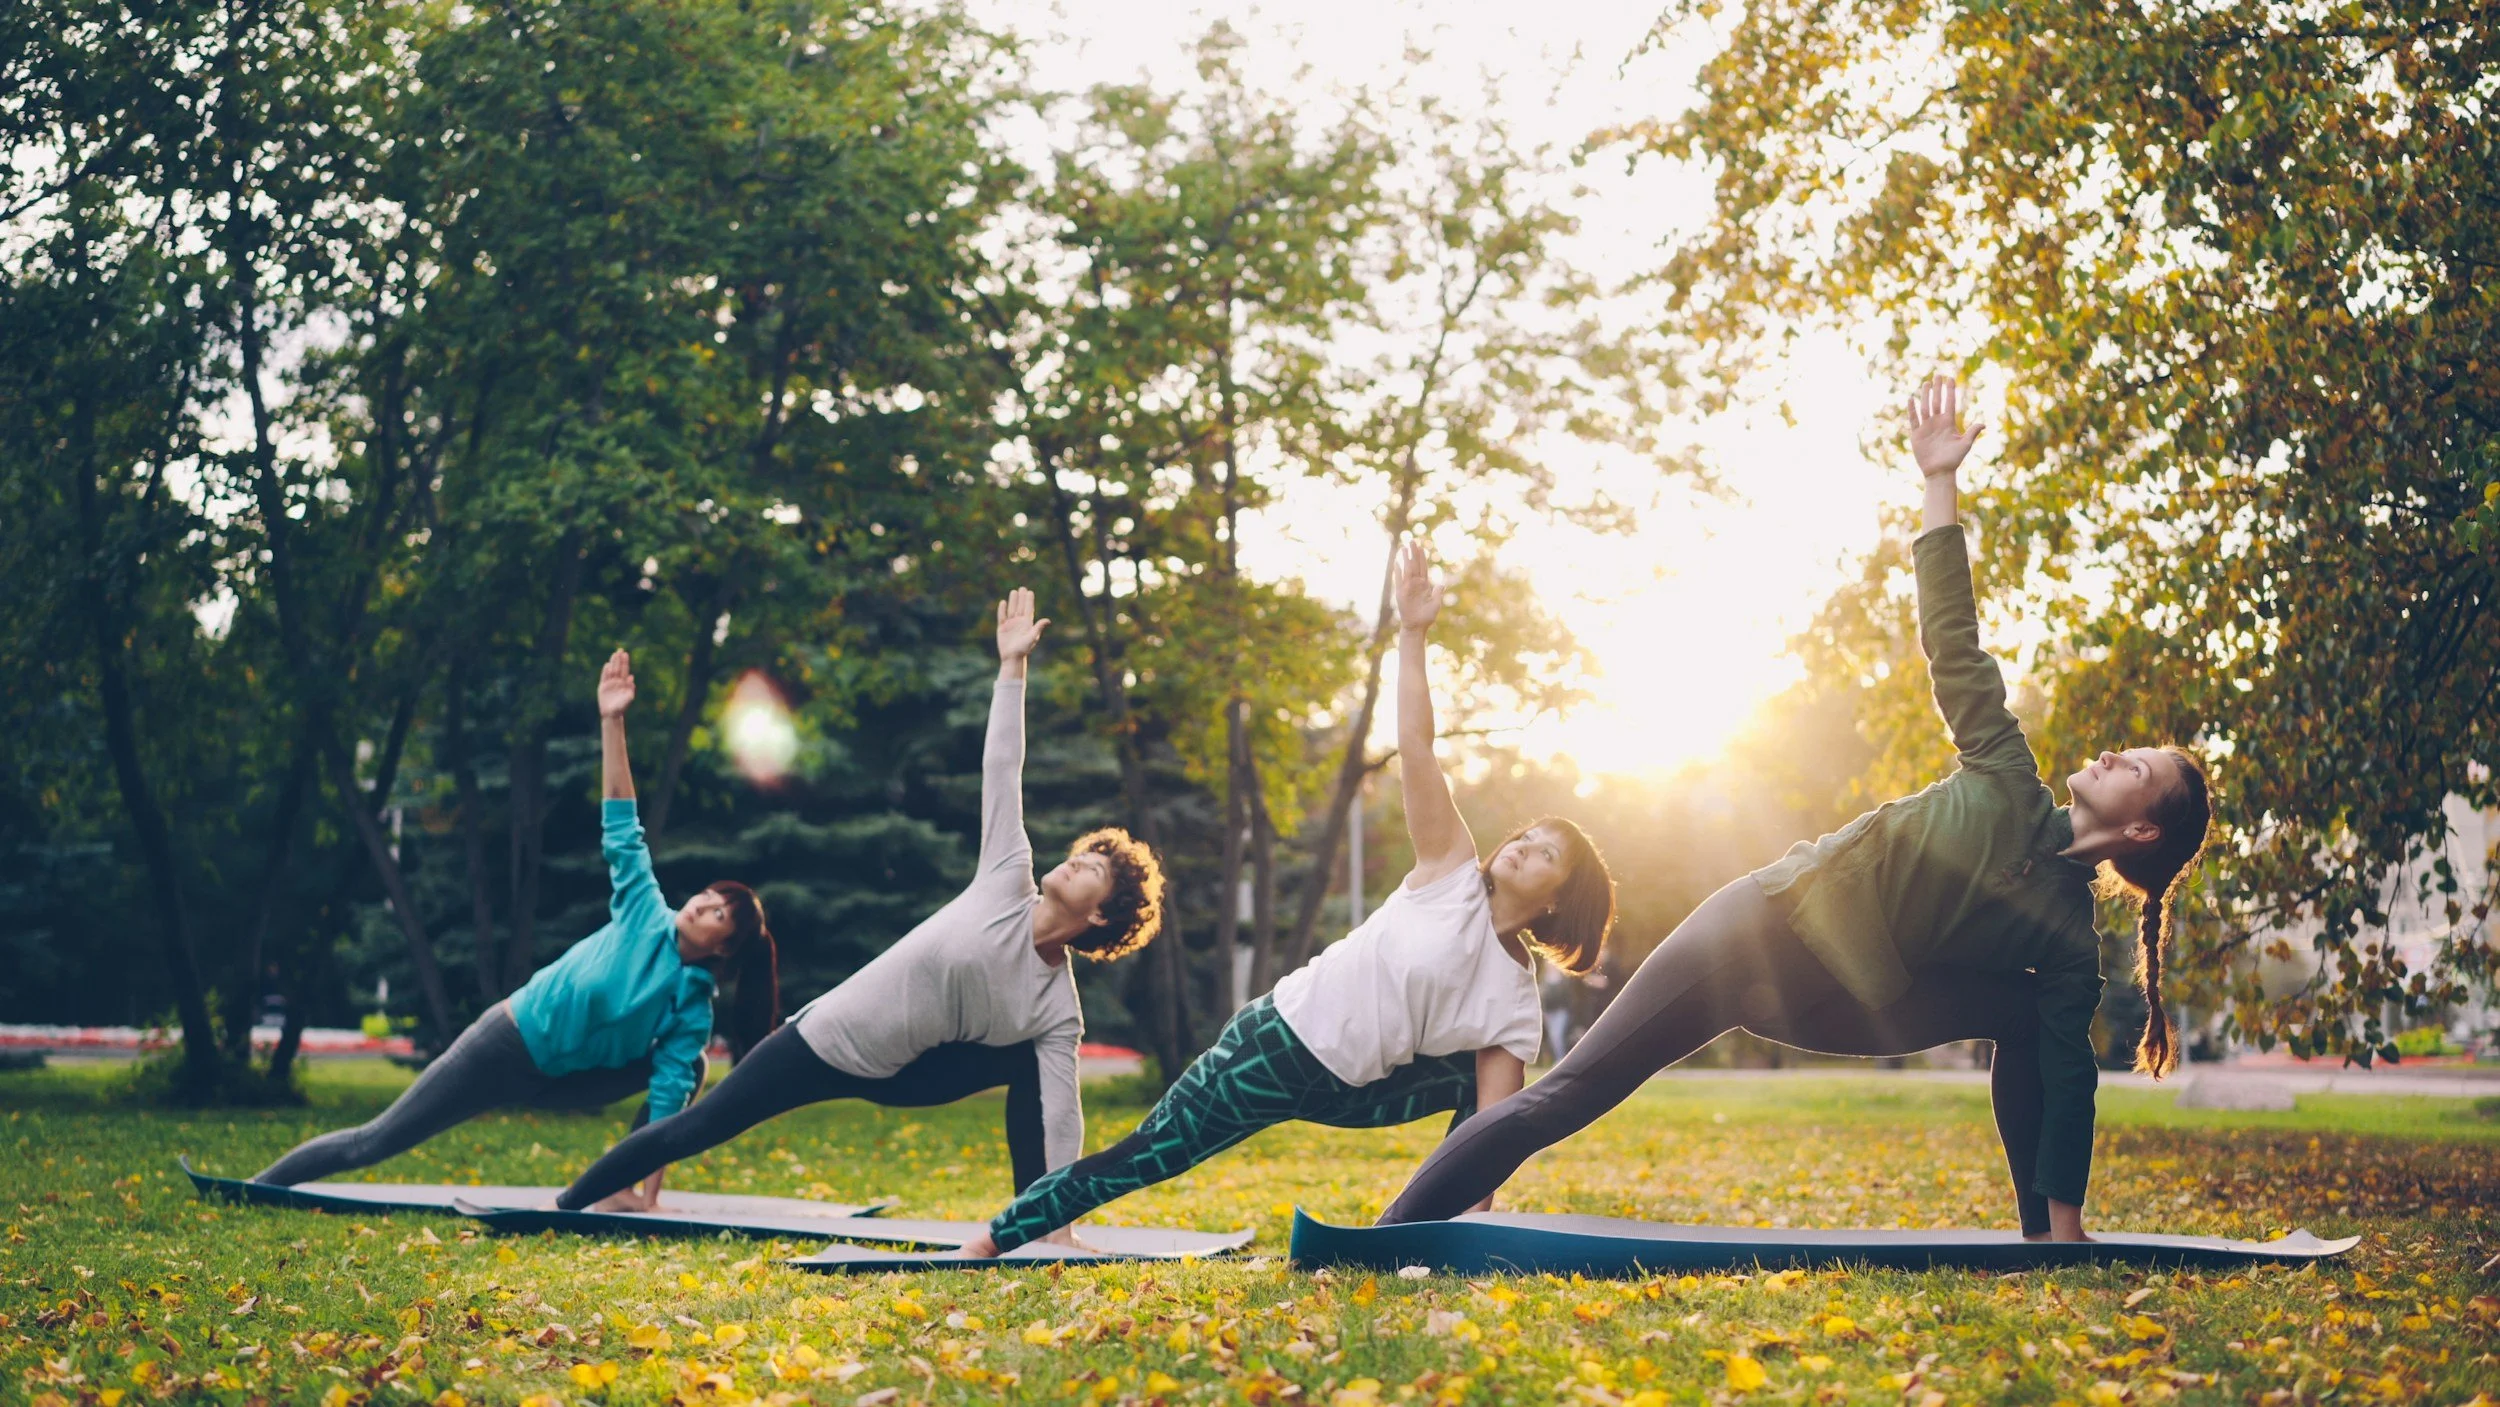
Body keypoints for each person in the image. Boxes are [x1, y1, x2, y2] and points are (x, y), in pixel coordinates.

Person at [1376, 376, 2214, 1241]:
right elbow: (1951, 636)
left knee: (2028, 1015)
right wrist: (1938, 479)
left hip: (1838, 998)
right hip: (1758, 933)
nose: (2112, 752)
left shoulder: (2069, 938)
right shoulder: (2008, 772)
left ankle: (2042, 1229)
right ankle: (1387, 1228)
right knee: (1570, 1095)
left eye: (2136, 765)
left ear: (2143, 826)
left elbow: (2070, 1077)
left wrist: (2069, 1222)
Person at [959, 539, 1619, 1257]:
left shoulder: (1514, 1000)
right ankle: (994, 1238)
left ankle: (1414, 1230)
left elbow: (1492, 1134)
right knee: (1150, 1154)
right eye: (1527, 833)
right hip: (1275, 1042)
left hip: (1352, 1090)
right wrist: (1414, 633)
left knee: (1498, 1103)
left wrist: (1465, 1232)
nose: (1520, 844)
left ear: (1557, 900)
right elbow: (1418, 745)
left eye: (1545, 851)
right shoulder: (1451, 870)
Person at [554, 588, 1166, 1214]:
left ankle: (1038, 1222)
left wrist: (1062, 1213)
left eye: (1094, 868)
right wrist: (1012, 666)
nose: (1078, 856)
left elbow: (1061, 1114)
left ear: (1099, 916)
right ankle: (572, 1200)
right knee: (699, 1127)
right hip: (824, 1040)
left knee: (1037, 1063)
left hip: (907, 1076)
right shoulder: (1007, 877)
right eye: (1086, 850)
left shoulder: (1056, 1007)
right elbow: (1002, 767)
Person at [256, 650, 778, 1199]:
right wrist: (612, 719)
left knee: (688, 1066)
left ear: (725, 950)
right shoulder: (645, 911)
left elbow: (669, 1098)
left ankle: (616, 1189)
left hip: (564, 1080)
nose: (700, 904)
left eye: (720, 913)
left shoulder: (692, 1007)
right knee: (375, 1140)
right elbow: (622, 818)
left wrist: (649, 1196)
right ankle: (254, 1186)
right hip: (508, 1042)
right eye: (709, 896)